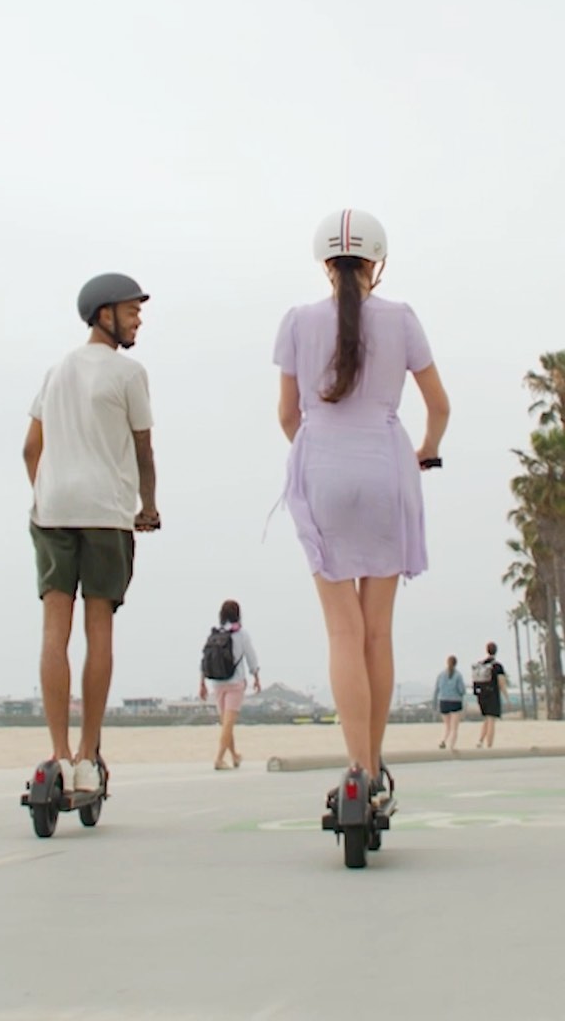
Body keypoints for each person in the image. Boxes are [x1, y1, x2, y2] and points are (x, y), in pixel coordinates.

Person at [273, 208, 450, 802]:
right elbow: (439, 405)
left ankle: (353, 768)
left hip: (322, 470)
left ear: (324, 263)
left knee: (342, 634)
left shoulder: (298, 321)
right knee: (378, 633)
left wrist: (319, 456)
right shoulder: (402, 318)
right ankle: (373, 774)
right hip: (385, 469)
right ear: (379, 262)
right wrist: (427, 450)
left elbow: (287, 416)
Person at [23, 272, 160, 794]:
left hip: (53, 510)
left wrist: (48, 492)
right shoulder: (129, 373)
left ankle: (57, 753)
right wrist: (148, 506)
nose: (138, 320)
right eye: (132, 311)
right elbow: (143, 448)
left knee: (53, 630)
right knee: (98, 628)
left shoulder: (56, 371)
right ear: (105, 314)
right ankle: (86, 756)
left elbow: (29, 449)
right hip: (105, 512)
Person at [199, 600, 261, 770]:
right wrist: (256, 676)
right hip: (235, 683)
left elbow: (205, 660)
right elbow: (251, 657)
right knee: (228, 723)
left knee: (226, 723)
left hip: (217, 683)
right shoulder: (241, 634)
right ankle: (219, 759)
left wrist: (202, 683)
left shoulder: (215, 634)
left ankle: (234, 756)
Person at [474, 641, 509, 748]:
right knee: (491, 721)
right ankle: (489, 745)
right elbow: (501, 683)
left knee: (487, 719)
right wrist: (506, 697)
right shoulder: (497, 666)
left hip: (481, 695)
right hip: (492, 695)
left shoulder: (480, 665)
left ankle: (480, 741)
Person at [433, 655, 466, 751]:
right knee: (454, 728)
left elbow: (436, 690)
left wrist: (435, 704)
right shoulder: (458, 675)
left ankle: (443, 740)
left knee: (447, 726)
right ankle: (452, 746)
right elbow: (462, 690)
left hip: (443, 702)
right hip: (455, 702)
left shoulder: (441, 675)